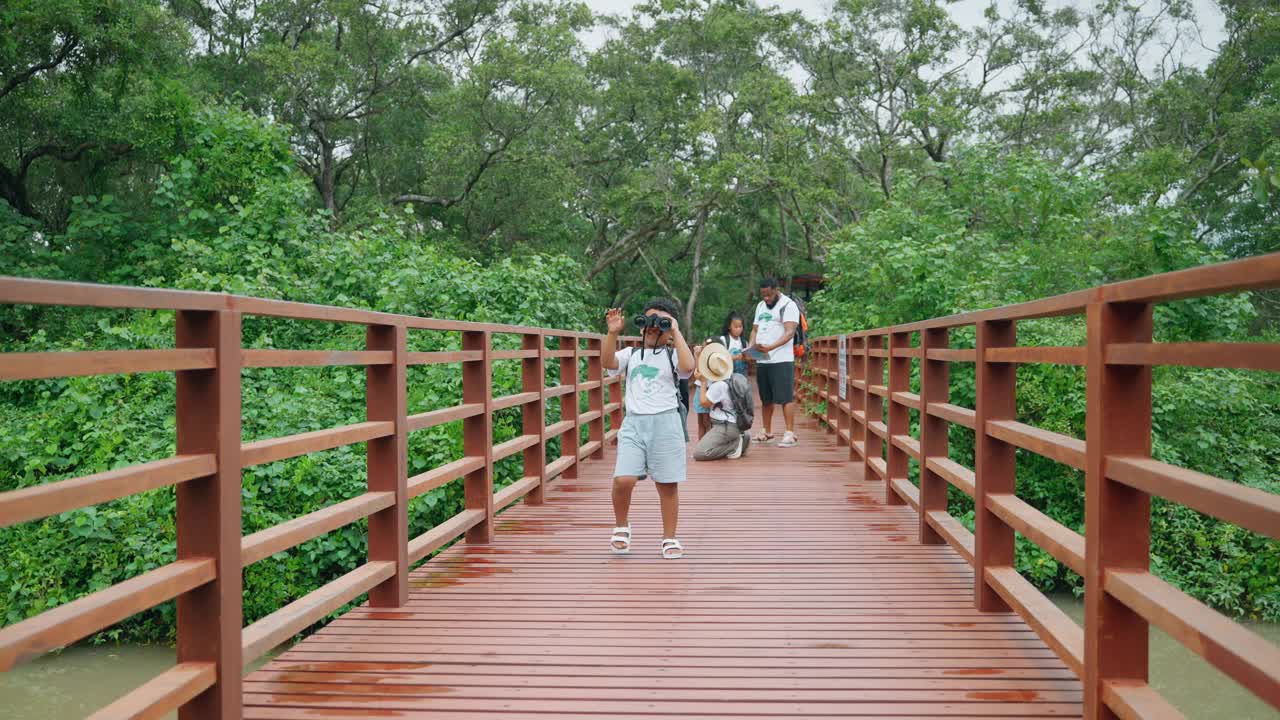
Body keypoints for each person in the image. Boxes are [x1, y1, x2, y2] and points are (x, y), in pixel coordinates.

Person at [602, 299, 694, 560]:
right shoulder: (630, 354)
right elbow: (607, 362)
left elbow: (688, 368)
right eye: (649, 322)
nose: (653, 328)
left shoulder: (673, 354)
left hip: (666, 422)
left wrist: (675, 332)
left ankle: (669, 537)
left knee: (667, 484)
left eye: (660, 323)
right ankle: (621, 526)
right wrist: (612, 333)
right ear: (641, 327)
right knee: (623, 479)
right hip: (634, 422)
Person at [744, 277, 800, 447]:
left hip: (781, 359)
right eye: (763, 295)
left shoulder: (788, 305)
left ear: (776, 290)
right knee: (766, 398)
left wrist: (771, 347)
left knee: (785, 397)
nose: (766, 298)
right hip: (763, 359)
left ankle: (790, 433)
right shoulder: (760, 306)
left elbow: (790, 332)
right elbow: (755, 330)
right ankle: (766, 431)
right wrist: (751, 347)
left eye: (768, 294)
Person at [692, 343, 748, 461]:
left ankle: (735, 444)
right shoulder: (729, 379)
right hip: (732, 424)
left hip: (725, 426)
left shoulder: (719, 385)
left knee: (700, 453)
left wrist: (703, 382)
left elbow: (704, 403)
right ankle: (742, 438)